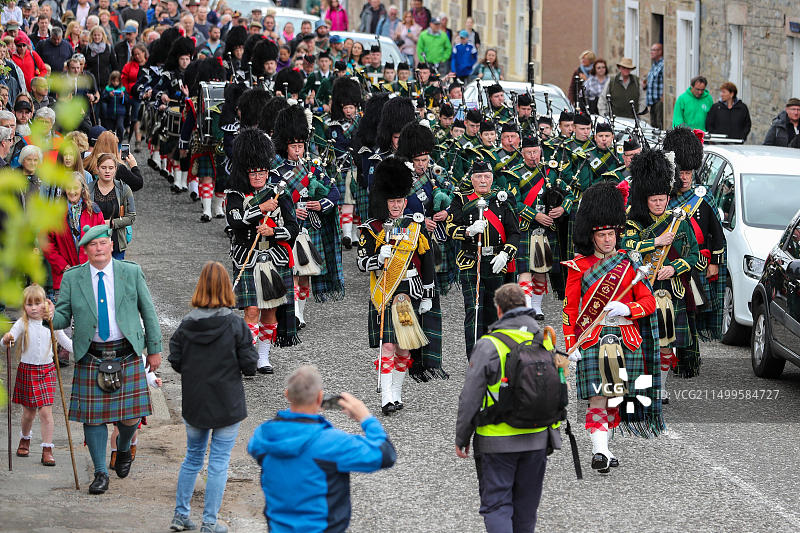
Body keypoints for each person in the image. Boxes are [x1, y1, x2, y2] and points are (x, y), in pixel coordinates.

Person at [51, 223, 162, 495]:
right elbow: (62, 318)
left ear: (111, 245)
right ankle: (100, 473)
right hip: (92, 355)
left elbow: (148, 310)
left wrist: (155, 349)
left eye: (102, 243)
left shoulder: (130, 272)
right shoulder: (73, 278)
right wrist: (46, 315)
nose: (98, 248)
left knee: (131, 417)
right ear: (85, 250)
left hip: (126, 351)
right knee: (93, 419)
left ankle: (123, 448)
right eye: (92, 245)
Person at [563, 180, 662, 475]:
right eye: (602, 235)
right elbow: (570, 310)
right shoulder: (578, 267)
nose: (608, 240)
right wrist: (571, 346)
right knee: (598, 395)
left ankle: (605, 445)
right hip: (593, 337)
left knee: (615, 397)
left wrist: (627, 308)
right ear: (591, 236)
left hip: (625, 337)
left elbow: (649, 303)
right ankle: (600, 450)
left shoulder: (630, 264)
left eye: (611, 234)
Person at [455, 283, 562, 532]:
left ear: (499, 311)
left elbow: (470, 396)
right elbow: (558, 387)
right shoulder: (545, 341)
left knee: (497, 506)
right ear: (526, 307)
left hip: (496, 440)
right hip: (537, 438)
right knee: (525, 510)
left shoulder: (488, 345)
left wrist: (462, 436)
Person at [248, 365, 396, 533]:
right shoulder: (331, 442)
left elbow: (255, 448)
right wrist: (365, 418)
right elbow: (385, 455)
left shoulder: (263, 435)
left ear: (287, 394)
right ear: (320, 397)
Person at [168, 261, 258, 533]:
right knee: (219, 462)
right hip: (227, 402)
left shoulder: (186, 325)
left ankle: (180, 515)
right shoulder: (234, 324)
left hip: (195, 401)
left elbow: (175, 360)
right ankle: (209, 521)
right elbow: (250, 365)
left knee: (192, 458)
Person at [357, 156, 439, 413]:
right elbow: (361, 264)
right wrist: (376, 258)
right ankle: (386, 398)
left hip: (408, 293)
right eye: (391, 201)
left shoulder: (416, 226)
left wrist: (427, 294)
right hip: (385, 292)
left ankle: (397, 394)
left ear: (405, 201)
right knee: (388, 345)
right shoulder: (372, 228)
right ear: (385, 201)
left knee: (403, 348)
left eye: (399, 201)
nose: (395, 205)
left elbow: (427, 260)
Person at [622, 148, 701, 395]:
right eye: (653, 199)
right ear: (644, 198)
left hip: (670, 291)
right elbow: (627, 248)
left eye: (662, 199)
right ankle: (640, 385)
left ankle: (661, 388)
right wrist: (655, 242)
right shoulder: (633, 221)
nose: (659, 203)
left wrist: (672, 268)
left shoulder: (680, 221)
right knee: (642, 343)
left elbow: (693, 256)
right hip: (641, 287)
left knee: (666, 345)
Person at [225, 127, 300, 374]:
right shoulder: (235, 193)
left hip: (274, 256)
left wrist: (274, 232)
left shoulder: (279, 192)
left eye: (262, 172)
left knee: (270, 309)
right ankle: (247, 355)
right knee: (252, 309)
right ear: (246, 171)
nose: (258, 177)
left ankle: (263, 357)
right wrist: (261, 208)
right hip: (247, 257)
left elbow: (293, 227)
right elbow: (235, 221)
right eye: (253, 172)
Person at [446, 160, 520, 357]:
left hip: (497, 262)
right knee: (474, 309)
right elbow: (450, 228)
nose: (483, 180)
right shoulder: (461, 199)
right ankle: (475, 358)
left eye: (487, 176)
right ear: (472, 179)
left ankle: (496, 354)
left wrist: (506, 254)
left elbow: (514, 232)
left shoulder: (502, 199)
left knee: (495, 310)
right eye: (478, 176)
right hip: (471, 261)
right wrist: (468, 231)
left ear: (492, 179)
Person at [1, 284, 72, 467]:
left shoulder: (50, 323)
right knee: (28, 413)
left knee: (46, 412)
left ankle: (47, 449)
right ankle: (25, 438)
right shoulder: (22, 323)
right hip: (27, 370)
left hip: (47, 370)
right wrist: (7, 339)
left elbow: (64, 340)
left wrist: (80, 350)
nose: (33, 307)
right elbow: (7, 341)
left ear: (45, 303)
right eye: (28, 304)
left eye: (37, 303)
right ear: (24, 306)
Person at [43, 173, 105, 298]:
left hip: (89, 274)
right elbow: (47, 243)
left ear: (82, 189)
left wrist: (93, 263)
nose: (72, 191)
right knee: (63, 315)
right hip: (63, 276)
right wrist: (62, 265)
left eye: (75, 187)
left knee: (87, 316)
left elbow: (103, 240)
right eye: (69, 187)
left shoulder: (94, 211)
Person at [88, 153, 136, 260]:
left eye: (111, 168)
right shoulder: (88, 189)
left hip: (116, 242)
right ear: (97, 169)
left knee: (116, 275)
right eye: (103, 168)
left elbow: (131, 216)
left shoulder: (124, 189)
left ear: (116, 169)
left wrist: (111, 223)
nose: (107, 171)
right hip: (93, 242)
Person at [643, 43, 664, 129]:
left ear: (660, 52)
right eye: (651, 50)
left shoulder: (662, 64)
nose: (651, 52)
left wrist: (663, 97)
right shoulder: (654, 64)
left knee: (659, 125)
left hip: (658, 100)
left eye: (654, 50)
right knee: (653, 126)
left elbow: (665, 81)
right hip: (651, 101)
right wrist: (645, 85)